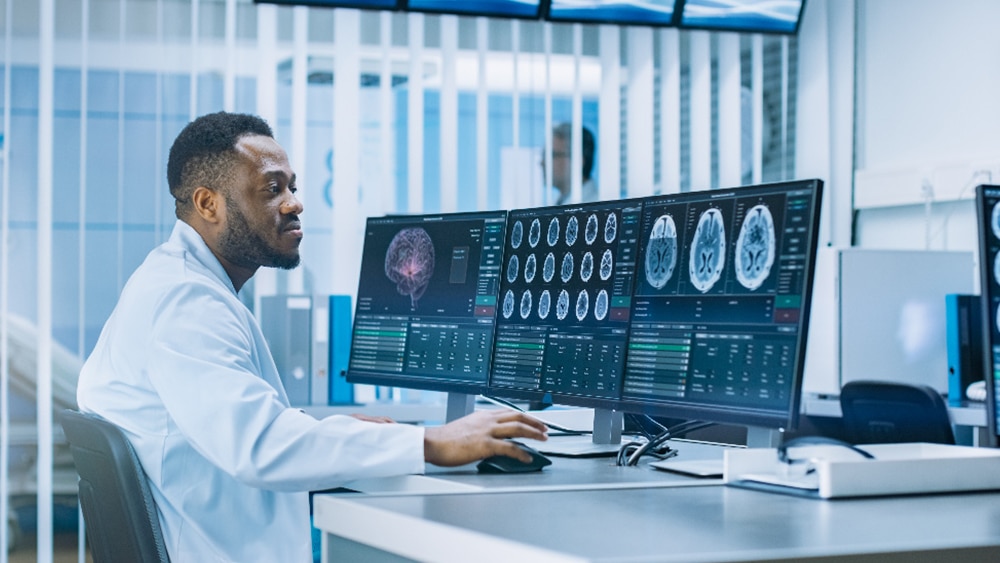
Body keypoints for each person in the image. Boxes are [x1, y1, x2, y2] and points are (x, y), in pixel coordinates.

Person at [76, 111, 547, 562]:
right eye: (272, 189)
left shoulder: (177, 283)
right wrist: (430, 442)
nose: (294, 203)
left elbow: (232, 421)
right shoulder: (185, 301)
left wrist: (332, 431)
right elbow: (259, 446)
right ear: (207, 204)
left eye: (293, 187)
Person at [548, 122, 598, 205]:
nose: (542, 162)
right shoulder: (560, 200)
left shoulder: (596, 205)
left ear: (577, 162)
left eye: (553, 155)